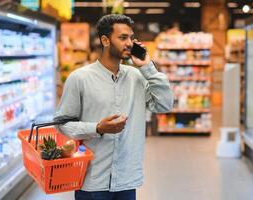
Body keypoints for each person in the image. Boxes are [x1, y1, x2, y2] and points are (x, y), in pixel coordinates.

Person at [54, 14, 174, 200]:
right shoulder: (79, 79)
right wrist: (97, 128)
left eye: (131, 38)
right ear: (105, 40)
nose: (130, 43)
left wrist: (148, 68)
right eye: (123, 37)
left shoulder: (138, 77)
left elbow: (165, 105)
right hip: (91, 180)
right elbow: (62, 124)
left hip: (126, 180)